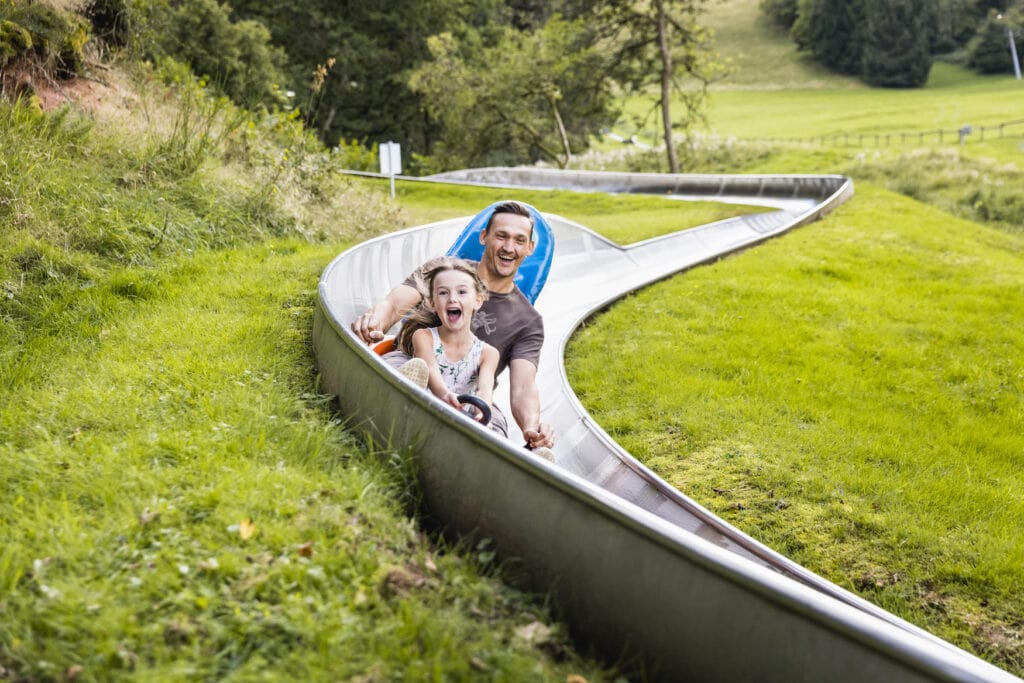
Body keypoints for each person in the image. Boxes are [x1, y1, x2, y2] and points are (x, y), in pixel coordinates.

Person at [351, 200, 555, 454]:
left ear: (530, 248)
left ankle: (520, 459)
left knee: (494, 421)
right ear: (484, 237)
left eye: (519, 240)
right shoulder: (443, 272)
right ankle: (399, 398)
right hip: (414, 362)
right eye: (501, 236)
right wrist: (374, 321)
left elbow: (524, 386)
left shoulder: (528, 321)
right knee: (411, 369)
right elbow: (394, 304)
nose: (509, 247)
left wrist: (531, 426)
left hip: (471, 392)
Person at [394, 257, 499, 418]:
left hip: (456, 417)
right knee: (418, 366)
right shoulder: (424, 336)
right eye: (443, 293)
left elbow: (484, 389)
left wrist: (482, 411)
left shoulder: (488, 353)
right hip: (423, 405)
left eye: (462, 292)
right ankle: (399, 398)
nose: (452, 299)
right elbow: (431, 368)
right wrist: (444, 394)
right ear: (432, 303)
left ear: (478, 301)